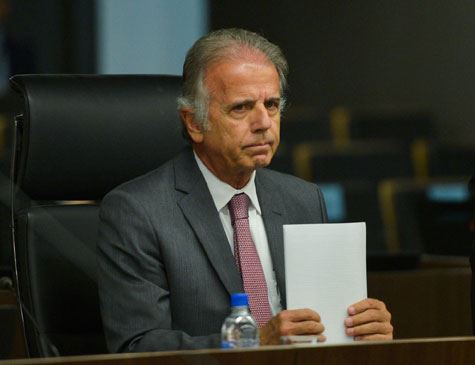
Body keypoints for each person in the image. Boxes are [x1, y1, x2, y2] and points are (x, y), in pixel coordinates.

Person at [97, 28, 393, 353]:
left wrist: (359, 328)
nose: (264, 122)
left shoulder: (303, 200)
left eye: (272, 104)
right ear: (194, 122)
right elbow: (137, 347)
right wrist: (251, 343)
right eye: (241, 108)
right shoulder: (137, 212)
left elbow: (322, 329)